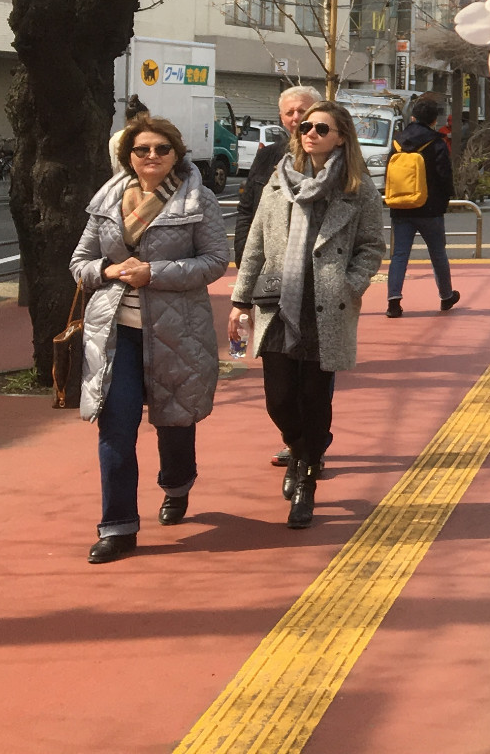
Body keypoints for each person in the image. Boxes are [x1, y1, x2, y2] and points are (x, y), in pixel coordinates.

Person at [71, 113, 229, 564]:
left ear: (177, 154)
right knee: (115, 428)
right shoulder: (106, 200)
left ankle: (177, 484)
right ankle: (117, 526)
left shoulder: (199, 200)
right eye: (142, 150)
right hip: (115, 334)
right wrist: (107, 270)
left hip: (178, 331)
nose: (152, 157)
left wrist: (153, 273)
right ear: (129, 157)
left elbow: (216, 260)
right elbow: (80, 261)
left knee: (174, 423)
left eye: (162, 149)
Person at [228, 101, 388, 529]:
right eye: (305, 127)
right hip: (278, 304)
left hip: (327, 307)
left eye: (321, 127)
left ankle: (308, 483)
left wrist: (351, 283)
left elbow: (372, 245)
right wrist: (239, 300)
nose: (309, 133)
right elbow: (257, 245)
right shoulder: (279, 183)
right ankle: (301, 451)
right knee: (280, 400)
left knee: (315, 399)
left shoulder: (357, 188)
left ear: (341, 137)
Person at [384, 96, 461, 318]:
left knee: (399, 254)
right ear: (434, 120)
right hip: (430, 208)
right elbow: (445, 175)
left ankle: (394, 302)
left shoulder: (398, 141)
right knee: (438, 253)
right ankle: (446, 296)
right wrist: (446, 199)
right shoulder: (436, 142)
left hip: (401, 207)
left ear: (413, 117)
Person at [235, 85, 324, 256]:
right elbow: (247, 209)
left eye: (302, 111)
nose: (296, 117)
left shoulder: (339, 159)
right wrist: (243, 254)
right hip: (269, 260)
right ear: (282, 118)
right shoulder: (267, 156)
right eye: (289, 113)